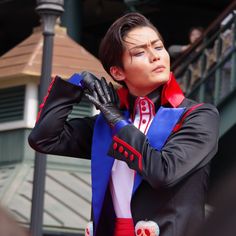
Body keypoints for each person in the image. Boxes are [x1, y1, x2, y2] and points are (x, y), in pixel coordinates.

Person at [28, 12, 219, 236]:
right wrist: (77, 84)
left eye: (158, 47)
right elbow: (44, 138)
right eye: (139, 52)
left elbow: (163, 172)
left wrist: (117, 120)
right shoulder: (105, 124)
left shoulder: (199, 116)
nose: (155, 57)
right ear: (117, 72)